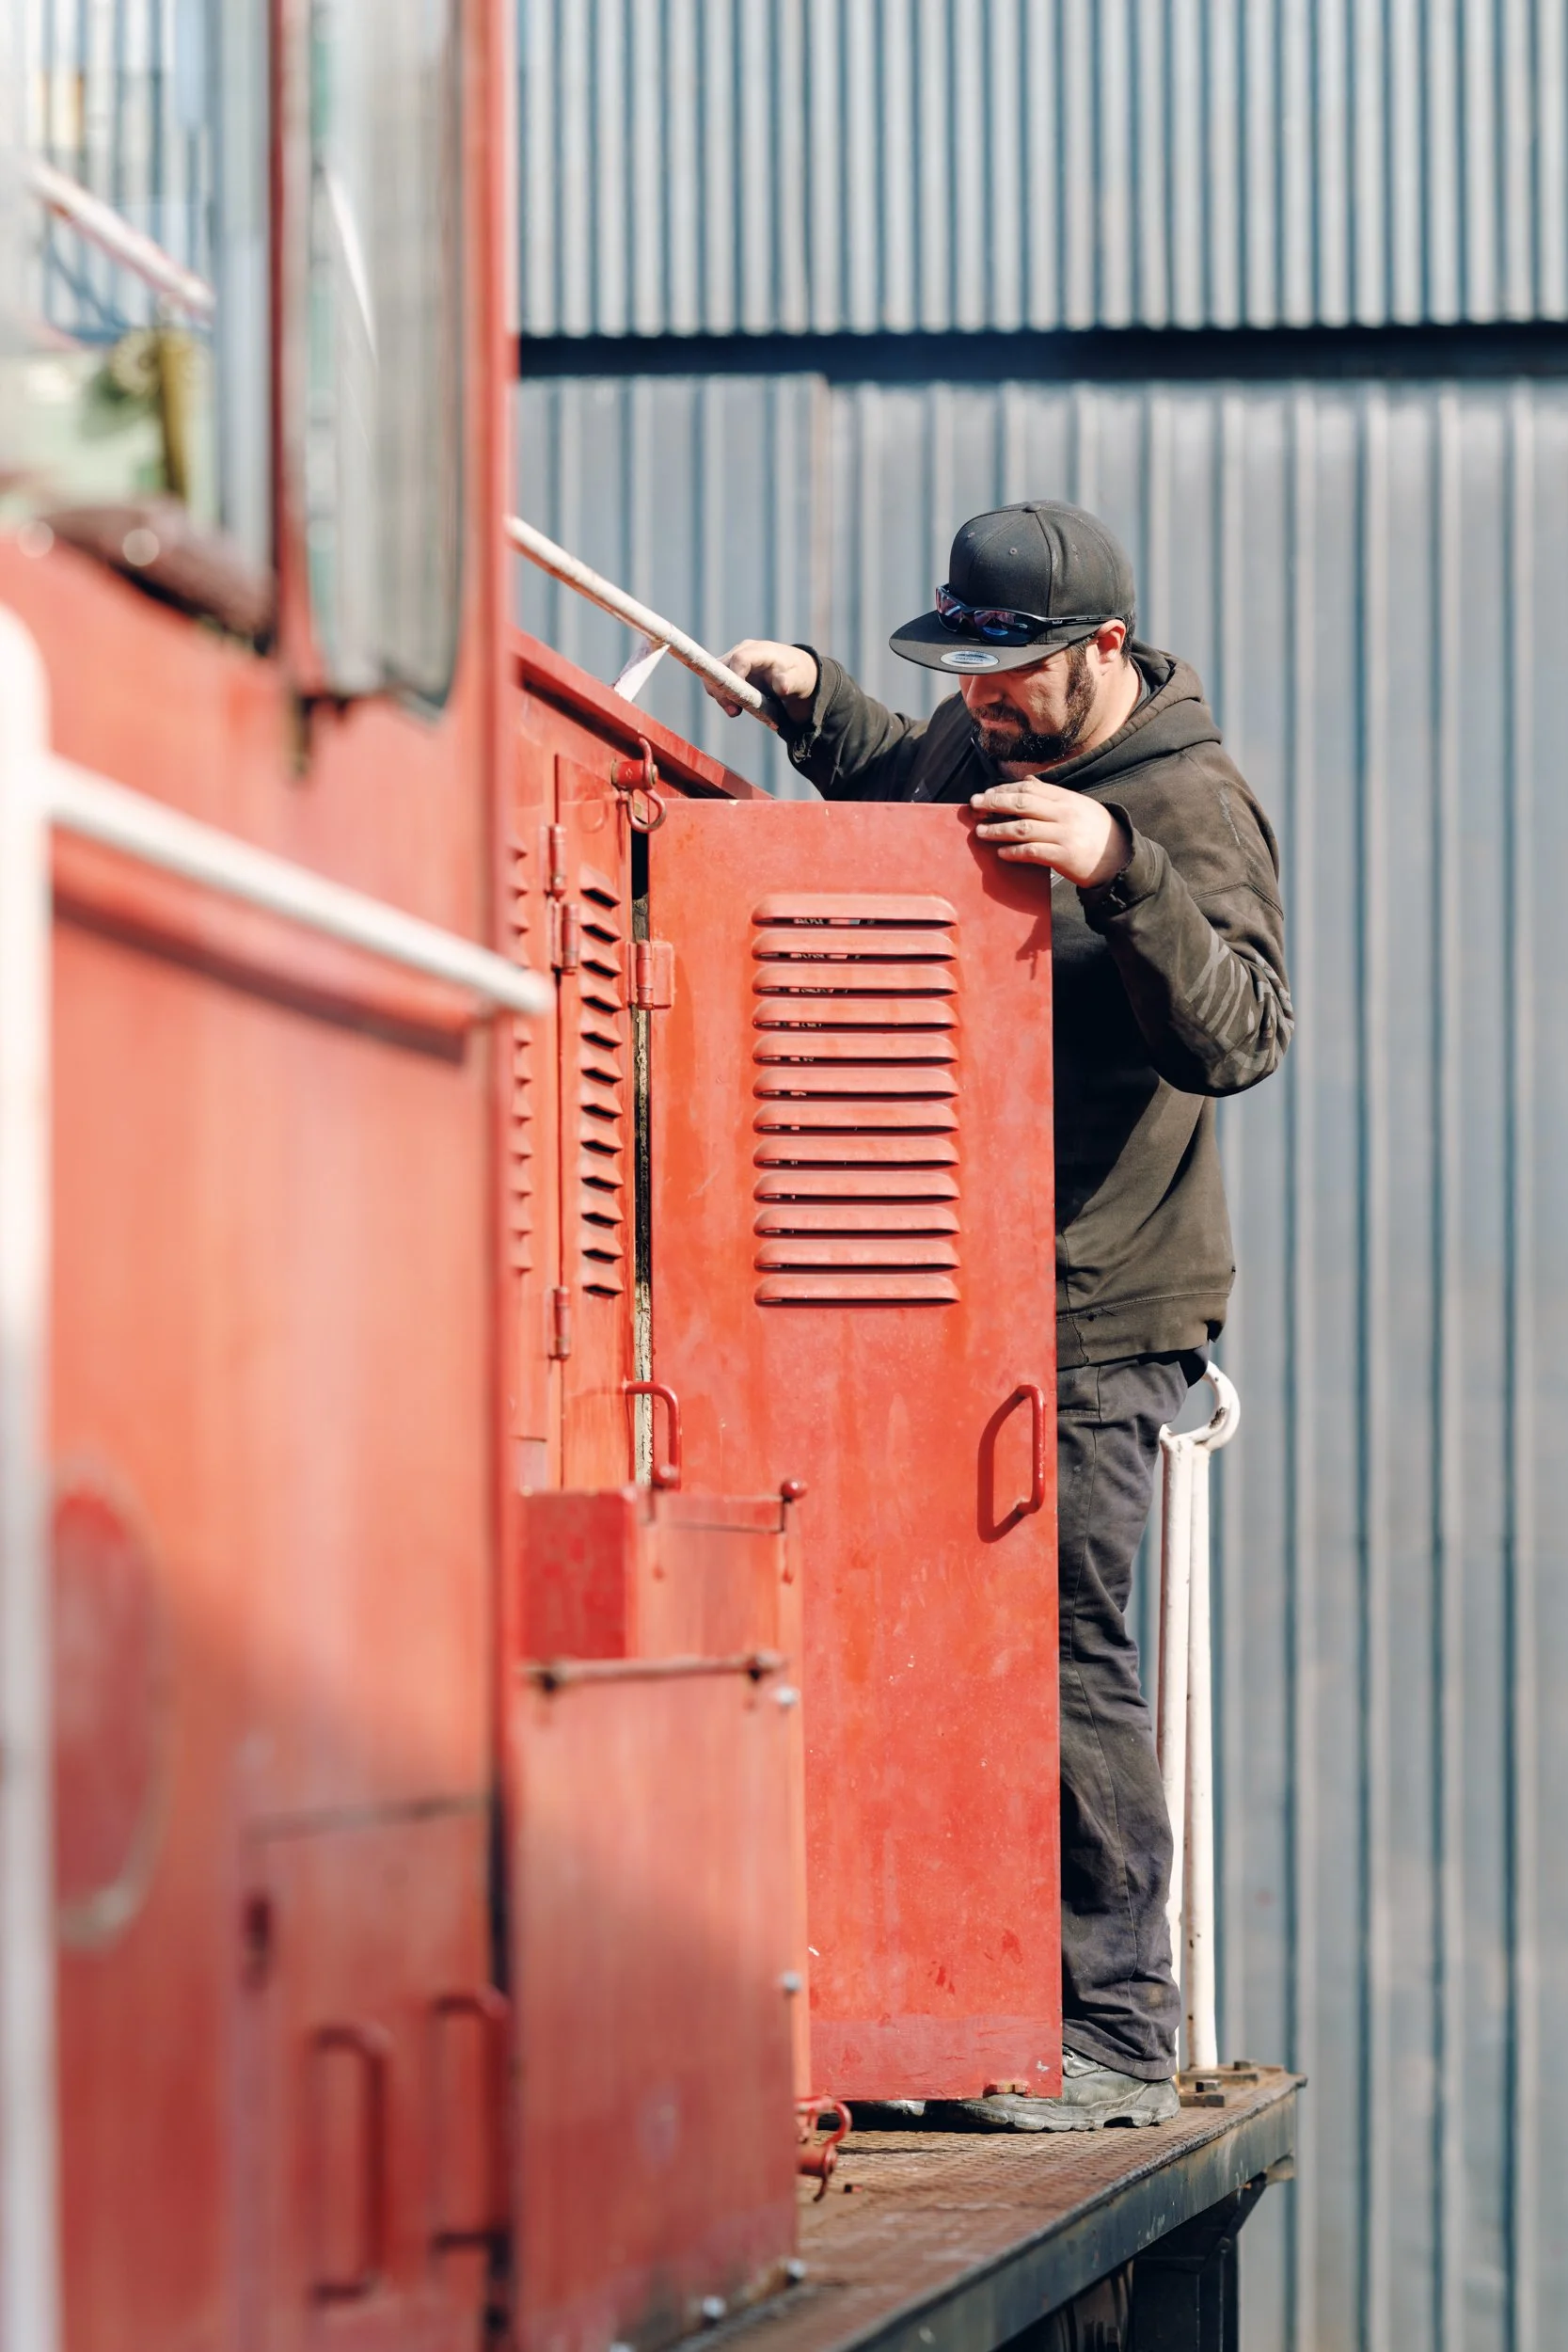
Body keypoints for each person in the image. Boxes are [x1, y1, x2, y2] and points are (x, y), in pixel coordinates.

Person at [703, 501, 1292, 2132]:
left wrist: (1124, 875)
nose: (977, 702)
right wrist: (812, 693)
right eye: (957, 666)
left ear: (1099, 653)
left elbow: (1241, 1033)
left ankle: (1113, 2029)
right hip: (970, 1304)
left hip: (1098, 1307)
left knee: (1061, 1664)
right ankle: (939, 1995)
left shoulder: (1185, 799)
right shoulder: (978, 735)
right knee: (926, 1641)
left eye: (1008, 674)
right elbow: (902, 780)